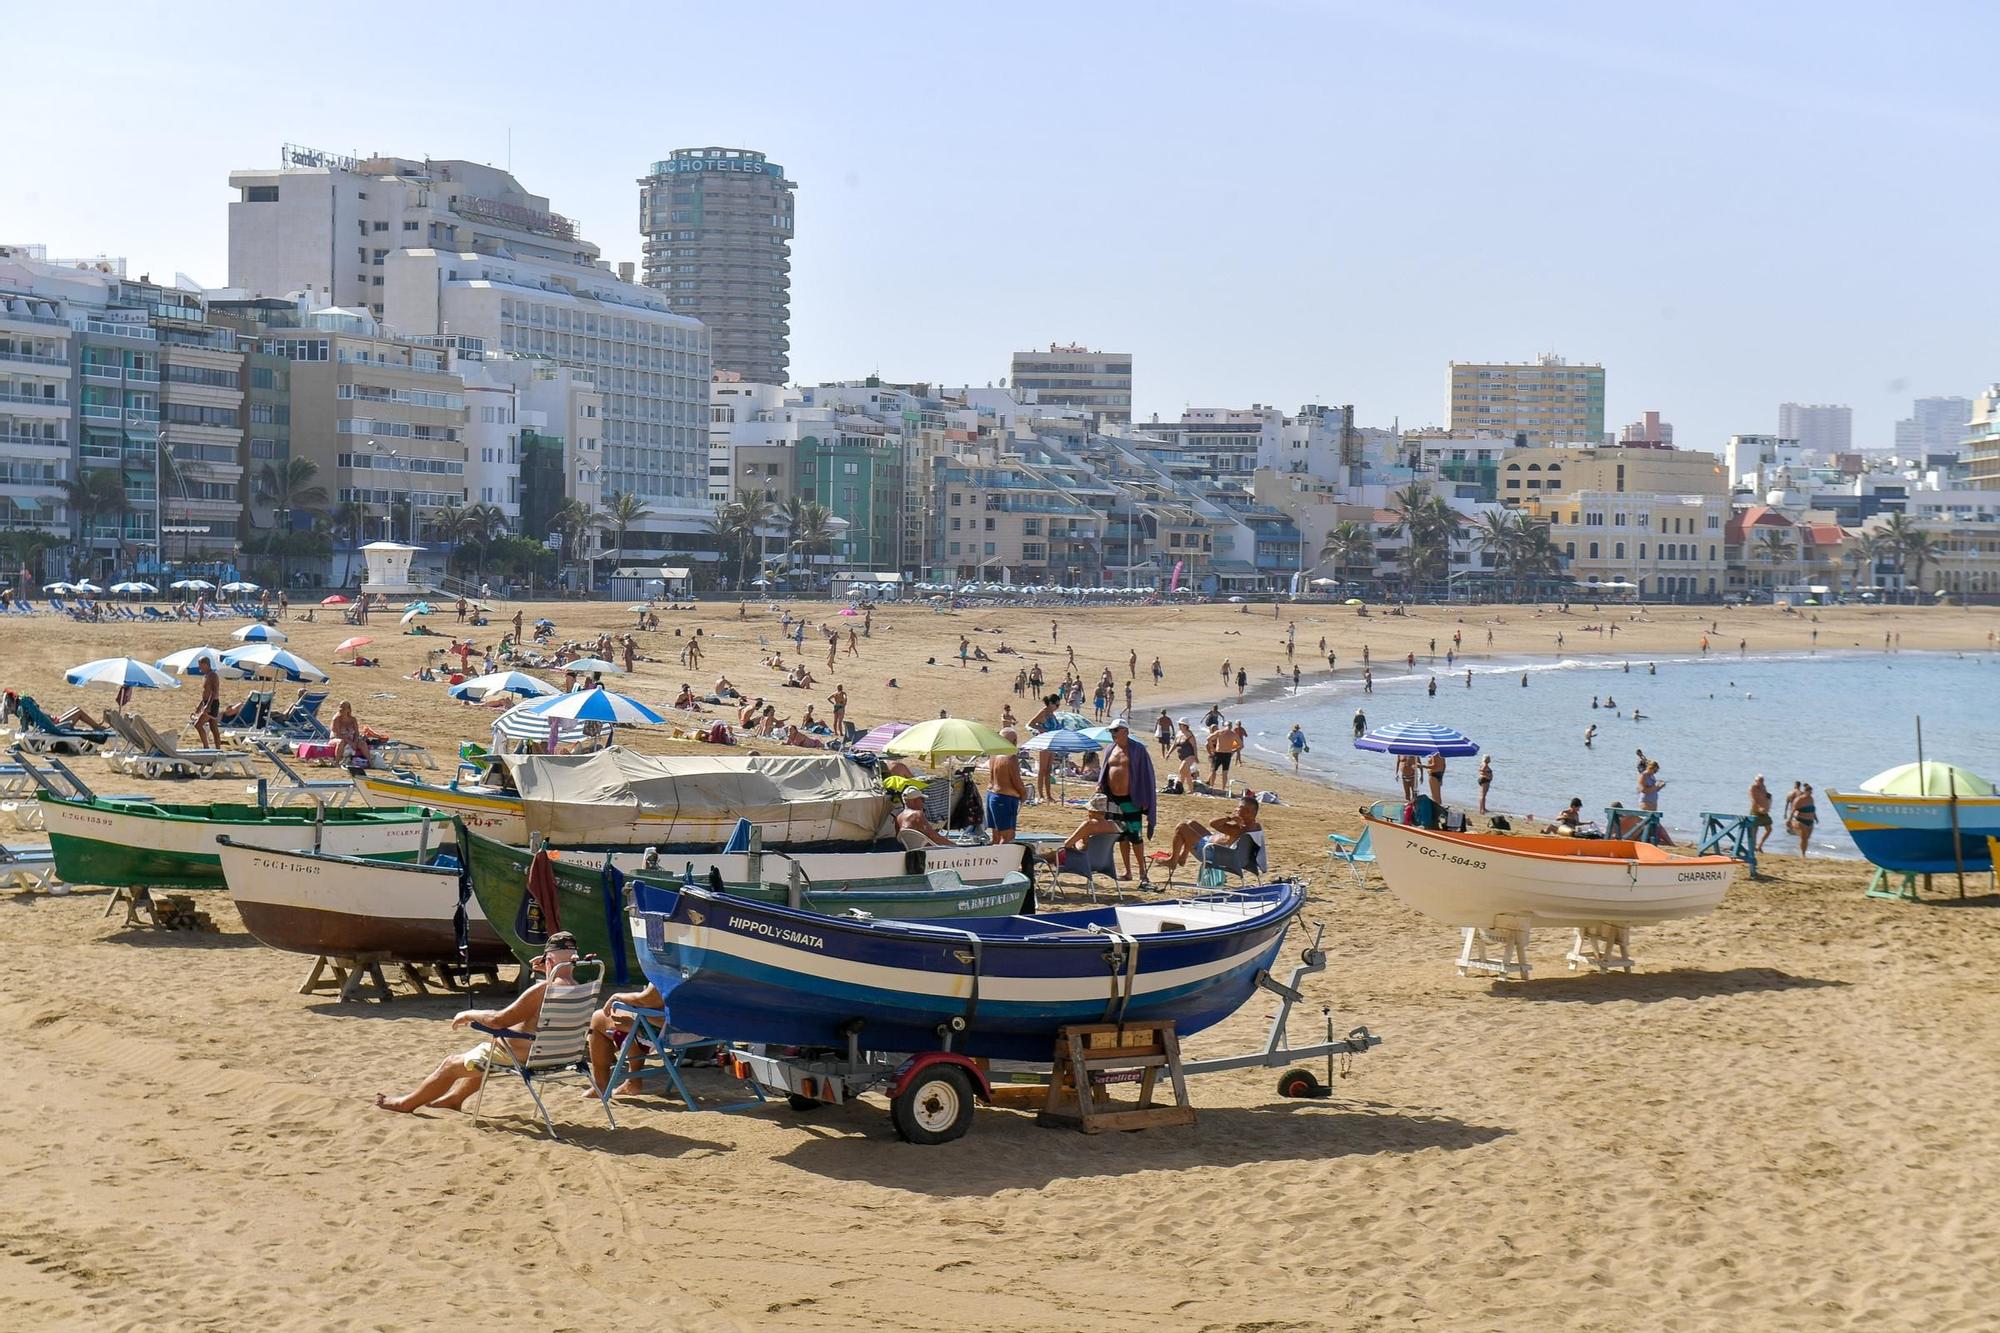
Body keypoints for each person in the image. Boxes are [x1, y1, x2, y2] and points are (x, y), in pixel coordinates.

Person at [376, 933, 582, 1113]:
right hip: (558, 1056)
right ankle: (455, 1099)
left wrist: (469, 1013)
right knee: (483, 1054)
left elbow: (498, 1020)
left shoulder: (543, 989)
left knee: (450, 1064)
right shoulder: (581, 989)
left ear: (548, 960)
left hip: (520, 1056)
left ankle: (405, 1103)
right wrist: (548, 970)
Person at [1097, 720, 1157, 888]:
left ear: (1125, 731)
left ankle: (1142, 873)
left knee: (1135, 837)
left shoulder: (1138, 750)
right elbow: (1104, 772)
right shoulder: (1110, 749)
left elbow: (1147, 775)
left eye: (1115, 731)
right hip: (1114, 799)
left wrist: (1146, 798)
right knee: (1121, 836)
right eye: (1111, 731)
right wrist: (1100, 786)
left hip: (1132, 799)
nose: (1113, 734)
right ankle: (1127, 871)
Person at [587, 980, 665, 1097]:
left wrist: (618, 996)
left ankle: (600, 1086)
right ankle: (632, 1081)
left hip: (663, 1032)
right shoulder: (697, 971)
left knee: (599, 1019)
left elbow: (647, 1000)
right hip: (692, 1033)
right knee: (629, 1023)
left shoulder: (668, 972)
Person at [1165, 793, 1263, 872]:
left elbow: (1212, 823)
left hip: (1209, 852)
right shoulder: (1256, 826)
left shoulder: (1239, 829)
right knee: (1192, 824)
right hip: (1216, 845)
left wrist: (1230, 818)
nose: (1236, 809)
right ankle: (1182, 857)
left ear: (1247, 812)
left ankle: (1173, 861)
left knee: (1182, 827)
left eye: (1239, 808)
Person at [985, 729, 1026, 843]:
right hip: (1004, 797)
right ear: (1014, 741)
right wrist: (1023, 794)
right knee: (1007, 837)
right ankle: (1003, 860)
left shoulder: (993, 755)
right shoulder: (1010, 757)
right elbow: (1016, 780)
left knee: (996, 836)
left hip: (991, 795)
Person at [191, 658, 223, 749]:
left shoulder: (213, 675)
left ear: (206, 664)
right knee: (213, 727)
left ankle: (206, 747)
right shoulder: (206, 676)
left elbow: (214, 691)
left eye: (200, 665)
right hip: (207, 703)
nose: (199, 667)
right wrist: (201, 704)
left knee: (198, 724)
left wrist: (207, 706)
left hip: (212, 703)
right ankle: (218, 749)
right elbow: (206, 692)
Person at [331, 700, 373, 767]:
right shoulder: (336, 719)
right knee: (341, 742)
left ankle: (370, 763)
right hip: (337, 738)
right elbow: (337, 734)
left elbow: (356, 732)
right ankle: (337, 762)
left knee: (362, 743)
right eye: (340, 707)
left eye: (344, 708)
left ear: (348, 709)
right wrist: (350, 742)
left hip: (351, 738)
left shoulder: (353, 719)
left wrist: (355, 742)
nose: (341, 709)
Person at [1749, 774, 1774, 851]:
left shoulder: (1763, 787)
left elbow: (1765, 796)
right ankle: (1752, 848)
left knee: (1769, 829)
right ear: (1756, 781)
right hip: (1756, 811)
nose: (1761, 782)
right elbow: (1753, 799)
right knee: (1754, 830)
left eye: (1762, 780)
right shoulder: (1753, 787)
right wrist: (1759, 808)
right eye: (1760, 780)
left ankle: (1759, 846)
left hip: (1764, 812)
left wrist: (1768, 799)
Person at [1791, 783, 1817, 854]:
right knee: (1804, 838)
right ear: (1805, 791)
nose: (1811, 793)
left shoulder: (1811, 799)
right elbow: (1793, 810)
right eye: (1809, 792)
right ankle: (1803, 853)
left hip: (1810, 821)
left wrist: (1816, 818)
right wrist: (1790, 820)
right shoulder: (1799, 800)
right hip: (1801, 820)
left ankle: (1802, 850)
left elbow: (1812, 809)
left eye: (1811, 792)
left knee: (1807, 838)